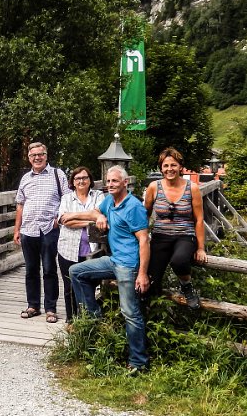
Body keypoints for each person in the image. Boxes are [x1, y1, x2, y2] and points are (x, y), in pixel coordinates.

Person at [69, 165, 150, 372]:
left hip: (128, 265)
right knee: (76, 272)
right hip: (114, 261)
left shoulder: (134, 207)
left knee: (130, 312)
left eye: (114, 181)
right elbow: (97, 210)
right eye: (107, 181)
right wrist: (99, 216)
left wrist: (142, 273)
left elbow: (144, 241)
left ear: (125, 183)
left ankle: (138, 362)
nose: (110, 184)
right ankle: (96, 319)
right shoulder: (111, 202)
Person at [143, 147, 207, 309]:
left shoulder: (191, 188)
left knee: (179, 260)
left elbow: (199, 220)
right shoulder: (154, 187)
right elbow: (145, 214)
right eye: (165, 166)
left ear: (180, 167)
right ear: (161, 168)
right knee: (150, 281)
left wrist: (201, 248)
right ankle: (158, 316)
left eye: (173, 165)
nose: (169, 169)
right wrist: (143, 238)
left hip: (185, 235)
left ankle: (187, 286)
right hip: (160, 236)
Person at [13, 141, 69, 323]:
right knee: (31, 270)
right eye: (33, 155)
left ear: (46, 155)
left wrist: (57, 220)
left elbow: (67, 200)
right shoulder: (25, 178)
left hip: (48, 229)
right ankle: (33, 305)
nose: (37, 158)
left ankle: (50, 308)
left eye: (40, 154)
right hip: (28, 229)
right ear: (29, 158)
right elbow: (20, 205)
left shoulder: (57, 174)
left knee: (49, 269)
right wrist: (17, 229)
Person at [56, 166, 105, 325]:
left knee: (90, 284)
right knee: (69, 285)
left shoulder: (98, 196)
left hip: (93, 249)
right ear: (73, 182)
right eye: (78, 179)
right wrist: (91, 219)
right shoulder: (66, 198)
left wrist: (74, 217)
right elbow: (63, 221)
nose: (81, 181)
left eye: (85, 178)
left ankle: (87, 320)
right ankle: (71, 320)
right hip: (68, 248)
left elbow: (101, 218)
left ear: (90, 180)